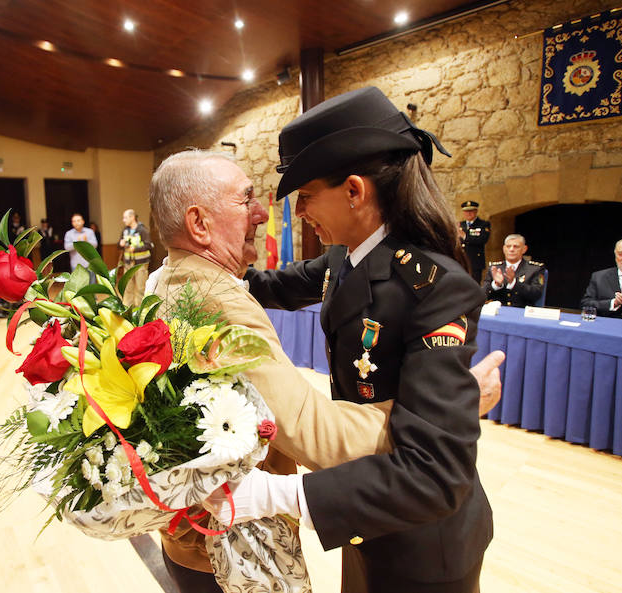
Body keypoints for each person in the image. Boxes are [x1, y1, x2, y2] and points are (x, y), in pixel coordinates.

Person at [203, 87, 492, 593]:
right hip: (363, 512)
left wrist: (275, 494)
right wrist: (196, 275)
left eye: (306, 195)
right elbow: (275, 285)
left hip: (423, 541)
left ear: (354, 191)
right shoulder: (346, 255)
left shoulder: (433, 287)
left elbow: (436, 472)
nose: (299, 211)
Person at [483, 234, 545, 308]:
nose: (511, 249)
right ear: (504, 249)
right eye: (508, 246)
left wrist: (514, 283)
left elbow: (536, 294)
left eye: (516, 247)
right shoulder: (495, 268)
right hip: (499, 310)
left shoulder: (535, 269)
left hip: (522, 311)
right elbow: (482, 295)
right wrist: (496, 285)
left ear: (524, 249)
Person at [119, 208, 154, 307]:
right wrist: (120, 244)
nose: (123, 220)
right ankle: (127, 308)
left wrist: (135, 249)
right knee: (127, 287)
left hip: (140, 264)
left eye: (125, 218)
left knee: (140, 288)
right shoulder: (125, 231)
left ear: (132, 217)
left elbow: (149, 245)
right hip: (128, 263)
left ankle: (140, 309)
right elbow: (120, 244)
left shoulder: (142, 230)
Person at [458, 200, 490, 283]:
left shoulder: (483, 224)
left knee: (474, 284)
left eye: (471, 211)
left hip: (475, 262)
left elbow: (482, 239)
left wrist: (465, 236)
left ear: (476, 211)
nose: (468, 213)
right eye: (466, 211)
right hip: (461, 261)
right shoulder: (460, 225)